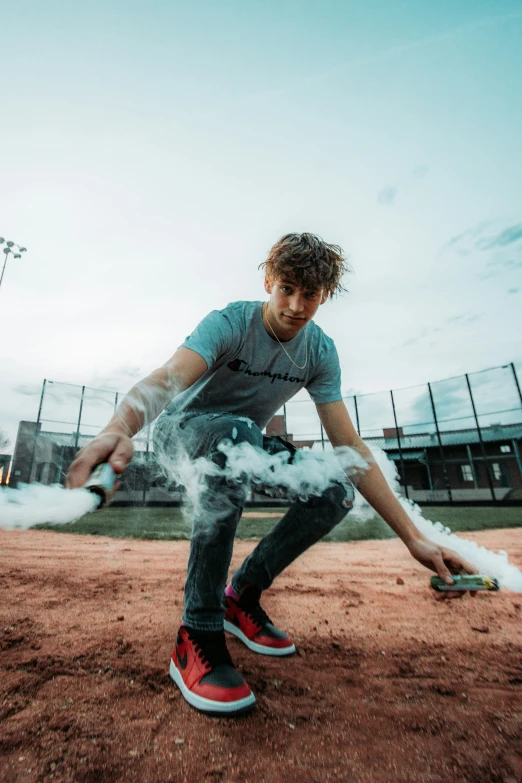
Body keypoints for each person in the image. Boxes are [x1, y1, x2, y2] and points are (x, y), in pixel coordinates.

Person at [67, 233, 478, 717]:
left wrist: (414, 538)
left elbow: (350, 448)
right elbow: (167, 377)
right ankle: (197, 632)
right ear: (268, 281)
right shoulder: (230, 323)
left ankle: (241, 597)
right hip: (184, 433)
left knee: (333, 488)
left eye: (311, 295)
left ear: (325, 296)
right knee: (236, 437)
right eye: (287, 289)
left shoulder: (319, 352)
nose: (296, 306)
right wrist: (119, 427)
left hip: (244, 444)